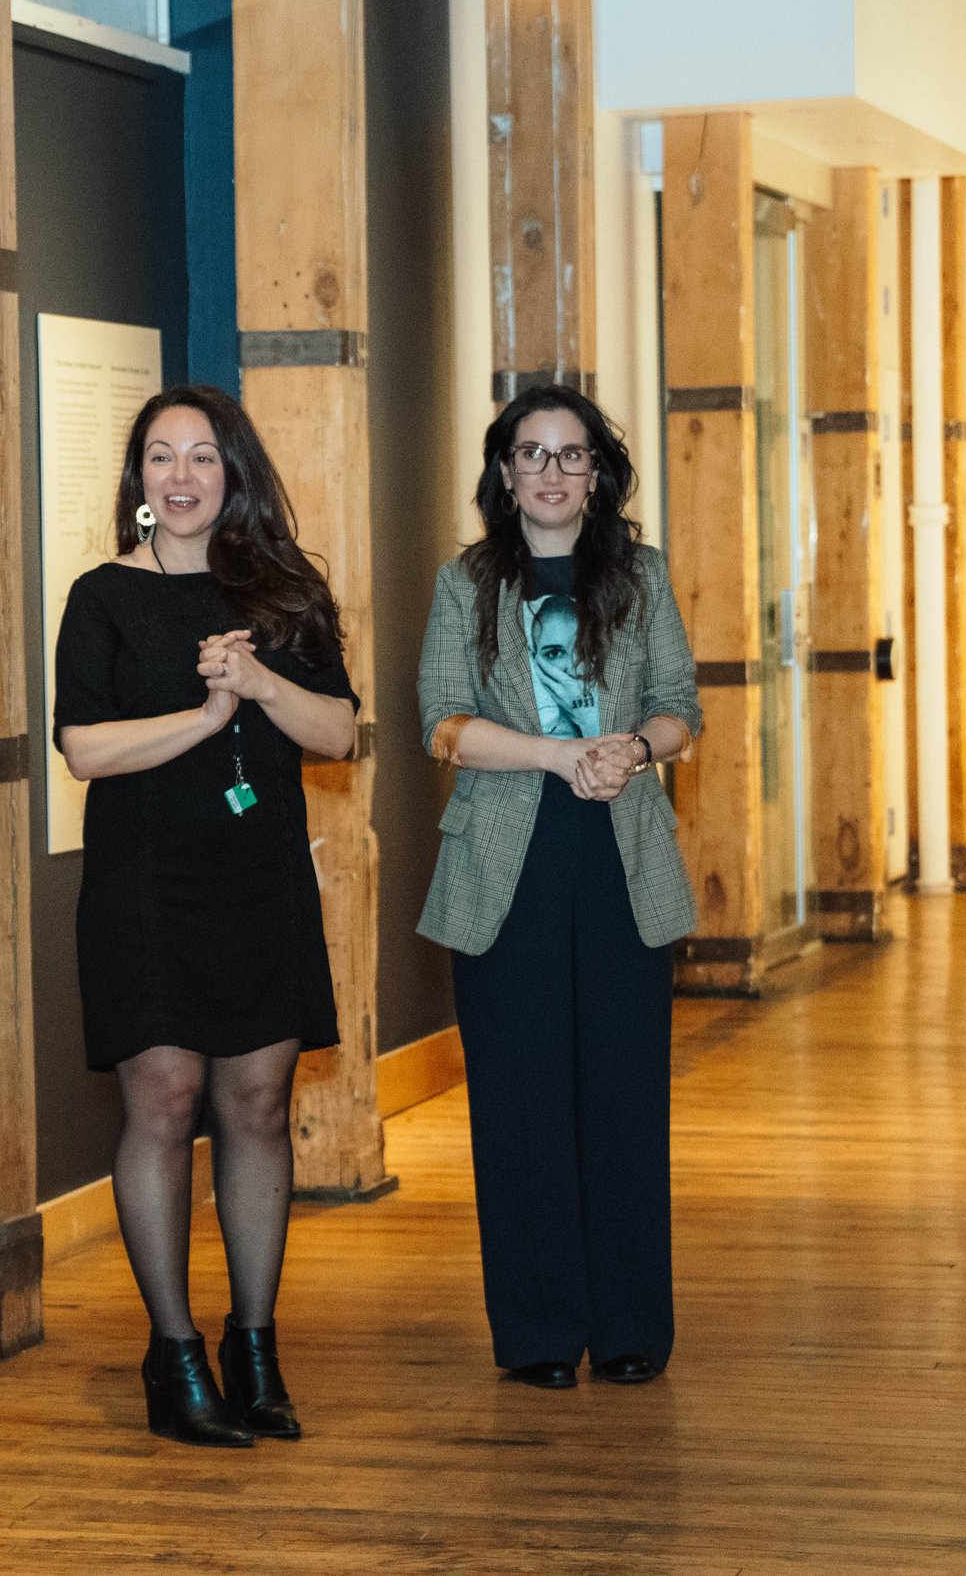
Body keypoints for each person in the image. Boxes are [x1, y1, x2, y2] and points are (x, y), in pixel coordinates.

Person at [52, 385, 359, 1447]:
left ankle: (255, 1345)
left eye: (200, 458)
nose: (179, 477)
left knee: (259, 1102)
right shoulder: (100, 597)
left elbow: (339, 737)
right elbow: (85, 747)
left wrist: (262, 684)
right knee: (165, 1097)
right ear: (137, 481)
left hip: (257, 878)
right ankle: (173, 1351)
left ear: (233, 474)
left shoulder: (283, 593)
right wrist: (204, 714)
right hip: (142, 883)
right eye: (158, 458)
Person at [415, 383, 703, 1390]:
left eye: (569, 454)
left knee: (621, 1098)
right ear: (503, 471)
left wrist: (626, 746)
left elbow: (678, 707)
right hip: (506, 866)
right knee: (520, 1101)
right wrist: (553, 754)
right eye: (530, 453)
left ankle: (629, 1324)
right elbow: (441, 723)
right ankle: (539, 1329)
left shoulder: (643, 576)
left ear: (597, 473)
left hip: (620, 856)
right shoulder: (465, 583)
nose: (549, 471)